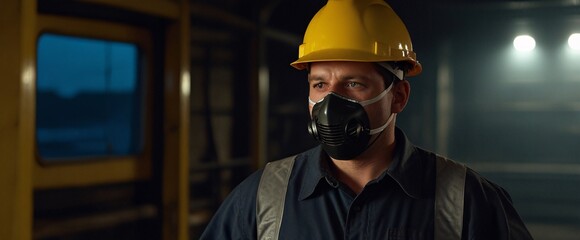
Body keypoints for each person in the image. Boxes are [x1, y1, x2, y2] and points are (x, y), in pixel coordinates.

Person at [200, 0, 534, 239]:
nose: (330, 102)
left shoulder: (466, 200)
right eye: (319, 84)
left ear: (398, 96)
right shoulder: (261, 199)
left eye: (354, 83)